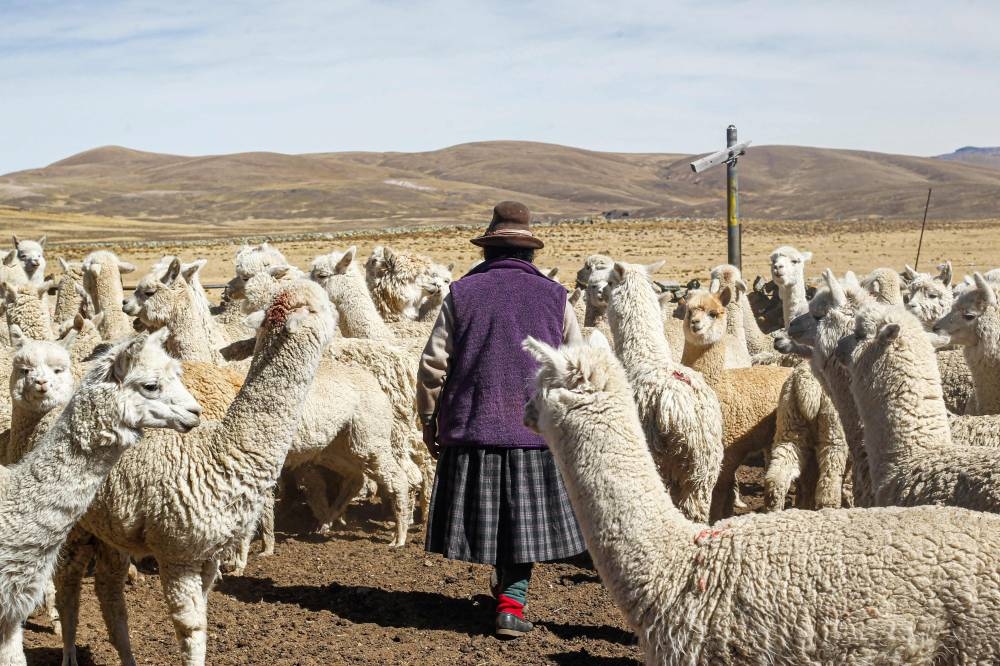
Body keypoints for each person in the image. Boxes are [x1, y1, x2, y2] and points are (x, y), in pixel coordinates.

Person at [417, 201, 586, 638]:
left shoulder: (461, 294)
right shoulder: (556, 296)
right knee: (521, 519)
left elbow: (434, 365)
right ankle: (511, 603)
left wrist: (429, 419)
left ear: (489, 251)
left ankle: (506, 592)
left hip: (472, 426)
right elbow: (577, 363)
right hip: (537, 429)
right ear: (529, 252)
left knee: (495, 514)